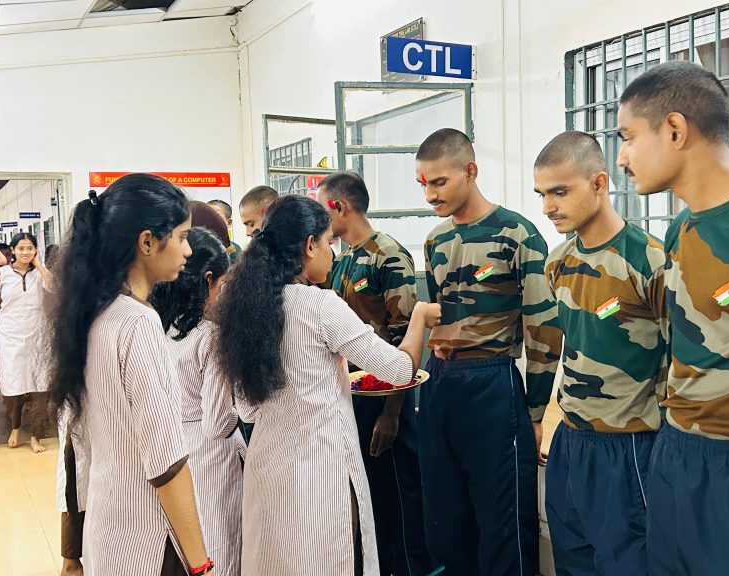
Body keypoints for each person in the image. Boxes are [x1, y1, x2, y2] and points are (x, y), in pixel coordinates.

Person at [213, 194, 441, 576]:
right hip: (318, 474)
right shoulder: (320, 306)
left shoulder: (246, 308)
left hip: (268, 467)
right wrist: (418, 317)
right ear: (309, 245)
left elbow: (247, 408)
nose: (333, 255)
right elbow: (400, 370)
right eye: (328, 243)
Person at [616, 60, 729, 576]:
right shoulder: (681, 228)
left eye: (629, 137)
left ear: (675, 129)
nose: (621, 158)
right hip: (678, 452)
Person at [47, 174, 216, 576]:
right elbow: (167, 463)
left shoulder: (94, 314)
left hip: (109, 530)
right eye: (181, 236)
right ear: (146, 242)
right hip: (149, 537)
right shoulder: (136, 323)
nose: (189, 250)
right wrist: (200, 563)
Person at [415, 128, 562, 575]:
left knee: (503, 524)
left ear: (470, 171)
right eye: (423, 184)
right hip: (440, 384)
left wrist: (535, 412)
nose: (429, 195)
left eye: (439, 182)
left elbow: (544, 329)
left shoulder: (518, 233)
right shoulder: (435, 240)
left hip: (492, 385)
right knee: (445, 519)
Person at [535, 131, 667, 576]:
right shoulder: (557, 262)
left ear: (599, 183)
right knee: (573, 560)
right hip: (572, 440)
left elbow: (679, 357)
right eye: (543, 194)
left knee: (627, 563)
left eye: (560, 191)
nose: (549, 206)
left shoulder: (648, 260)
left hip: (628, 445)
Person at [317, 172, 432, 576]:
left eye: (322, 206)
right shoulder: (342, 259)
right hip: (354, 397)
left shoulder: (389, 255)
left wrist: (392, 412)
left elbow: (405, 340)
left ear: (340, 207)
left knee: (399, 498)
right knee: (371, 500)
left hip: (388, 399)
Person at [151, 227, 242, 576]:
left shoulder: (156, 325)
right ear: (207, 279)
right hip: (210, 457)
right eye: (224, 282)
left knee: (183, 548)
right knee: (220, 548)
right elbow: (218, 423)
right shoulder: (210, 337)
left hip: (169, 451)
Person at [0, 232, 53, 452]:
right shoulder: (3, 275)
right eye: (21, 248)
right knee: (13, 386)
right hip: (9, 336)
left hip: (38, 335)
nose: (25, 252)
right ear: (12, 250)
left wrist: (38, 264)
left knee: (40, 385)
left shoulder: (41, 274)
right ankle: (16, 427)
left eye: (29, 248)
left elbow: (55, 288)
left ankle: (36, 436)